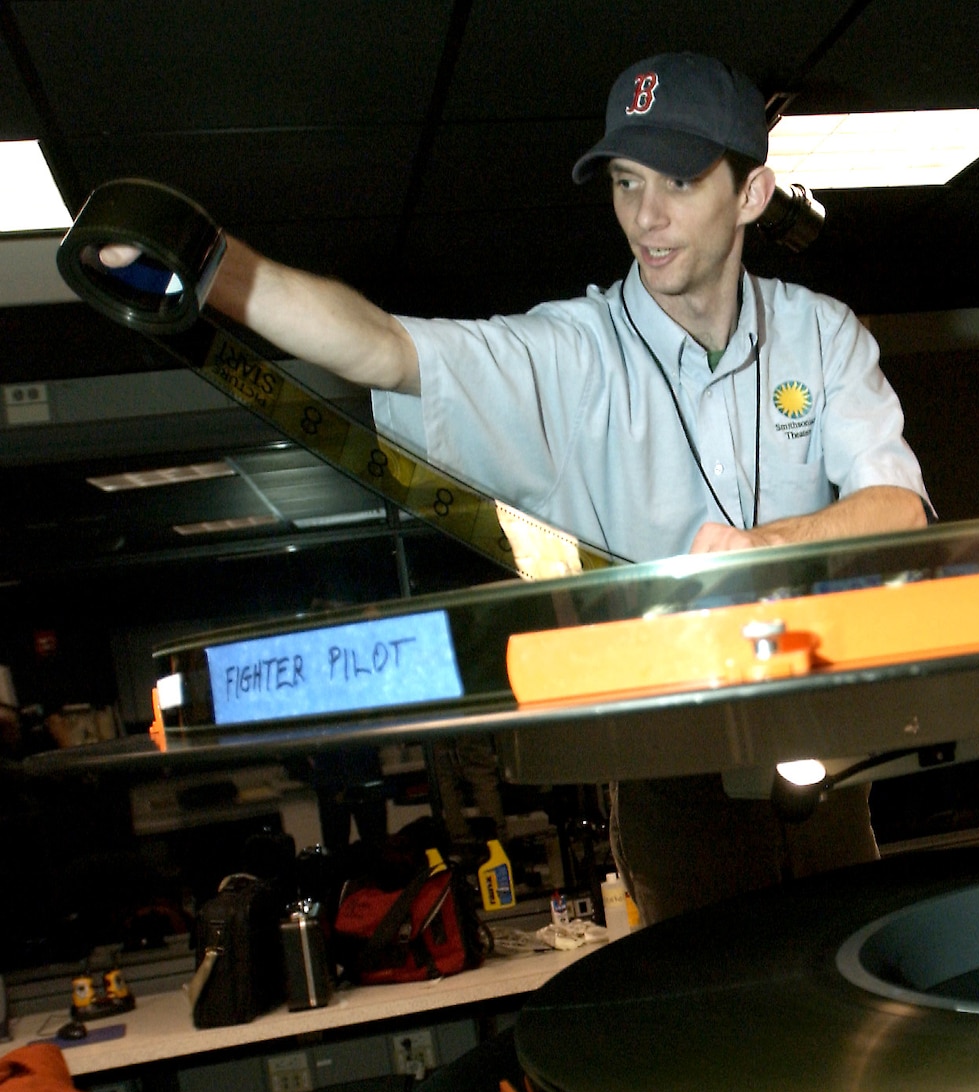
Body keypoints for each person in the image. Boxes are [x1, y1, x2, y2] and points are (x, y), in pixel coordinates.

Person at [101, 53, 929, 926]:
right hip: (671, 781)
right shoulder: (571, 355)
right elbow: (382, 347)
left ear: (753, 194)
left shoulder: (822, 335)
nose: (645, 217)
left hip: (827, 763)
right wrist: (211, 266)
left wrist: (763, 546)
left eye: (679, 182)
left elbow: (898, 508)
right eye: (624, 181)